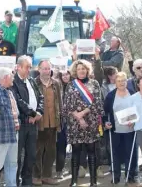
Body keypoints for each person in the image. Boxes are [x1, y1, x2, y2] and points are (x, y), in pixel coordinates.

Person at [62, 59, 104, 187]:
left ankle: (93, 181)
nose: (81, 71)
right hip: (75, 123)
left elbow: (97, 102)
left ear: (87, 70)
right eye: (79, 69)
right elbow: (67, 105)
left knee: (92, 151)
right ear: (75, 70)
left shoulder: (94, 83)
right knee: (76, 151)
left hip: (90, 122)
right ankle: (74, 181)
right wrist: (78, 117)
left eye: (83, 68)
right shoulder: (71, 85)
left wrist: (83, 113)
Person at [12, 55, 44, 186]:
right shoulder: (13, 81)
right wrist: (32, 113)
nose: (29, 70)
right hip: (21, 124)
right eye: (27, 67)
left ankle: (27, 182)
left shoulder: (31, 80)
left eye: (30, 67)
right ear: (18, 67)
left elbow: (40, 97)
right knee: (17, 156)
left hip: (33, 124)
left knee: (31, 155)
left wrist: (39, 113)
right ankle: (15, 182)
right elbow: (18, 101)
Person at [33, 60, 62, 186]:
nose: (46, 71)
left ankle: (47, 176)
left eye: (48, 68)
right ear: (39, 69)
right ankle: (36, 176)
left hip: (53, 122)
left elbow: (59, 103)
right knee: (37, 151)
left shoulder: (56, 84)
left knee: (51, 151)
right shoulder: (34, 83)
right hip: (39, 123)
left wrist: (60, 120)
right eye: (44, 68)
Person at [56, 70, 72, 179]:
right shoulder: (57, 86)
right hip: (62, 121)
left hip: (74, 120)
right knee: (61, 146)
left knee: (76, 147)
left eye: (67, 74)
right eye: (63, 75)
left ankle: (74, 168)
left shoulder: (75, 85)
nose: (65, 76)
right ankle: (59, 170)